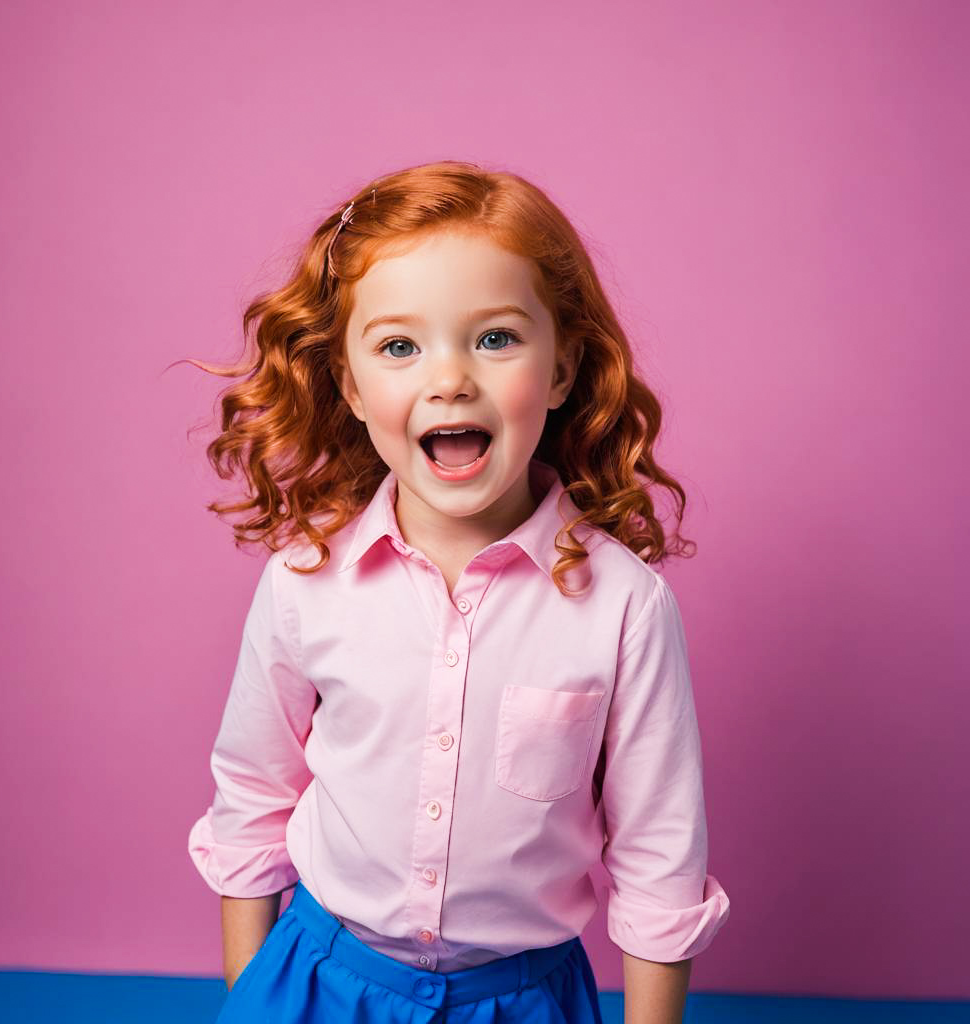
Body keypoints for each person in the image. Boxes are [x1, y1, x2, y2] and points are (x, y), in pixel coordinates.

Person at [185, 160, 731, 1023]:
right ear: (352, 387)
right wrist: (251, 998)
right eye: (400, 346)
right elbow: (252, 802)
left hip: (519, 998)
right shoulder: (304, 582)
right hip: (320, 981)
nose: (450, 379)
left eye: (496, 338)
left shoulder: (624, 606)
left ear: (560, 371)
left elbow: (660, 861)